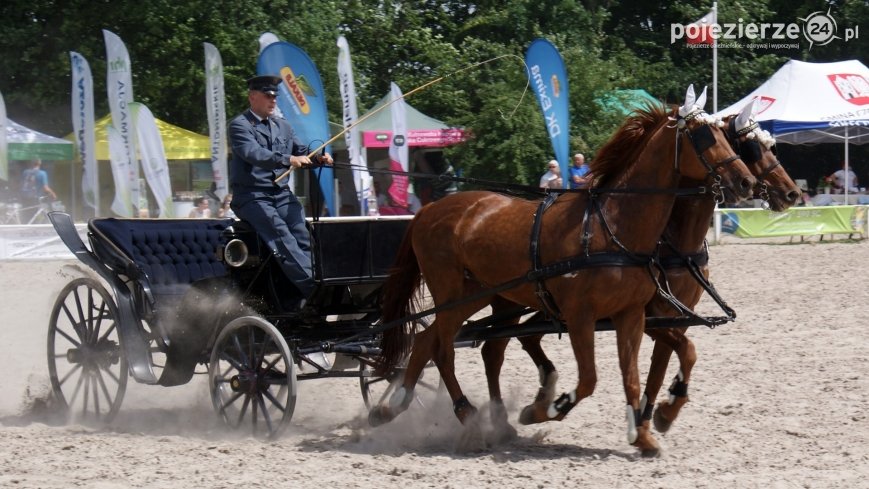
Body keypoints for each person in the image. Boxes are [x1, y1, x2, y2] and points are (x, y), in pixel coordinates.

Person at [228, 74, 333, 304]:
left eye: (275, 96)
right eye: (267, 96)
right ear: (252, 97)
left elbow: (301, 151)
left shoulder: (283, 126)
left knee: (303, 235)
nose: (273, 100)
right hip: (252, 197)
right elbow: (254, 153)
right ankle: (315, 292)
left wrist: (318, 158)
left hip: (281, 195)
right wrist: (288, 159)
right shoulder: (240, 126)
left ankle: (326, 282)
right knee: (281, 236)